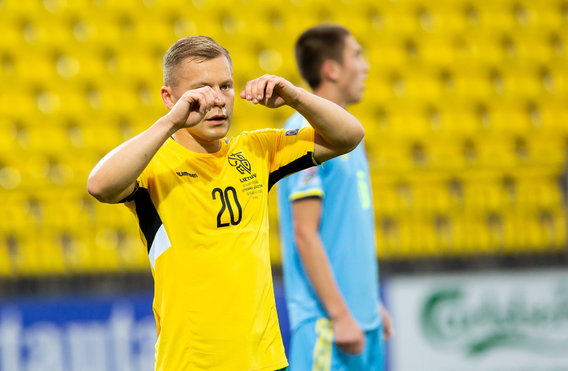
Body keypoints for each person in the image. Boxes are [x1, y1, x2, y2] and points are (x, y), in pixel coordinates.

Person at [86, 35, 364, 371]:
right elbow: (99, 185)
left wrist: (295, 96)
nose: (217, 100)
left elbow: (349, 135)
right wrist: (172, 121)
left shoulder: (258, 151)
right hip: (191, 363)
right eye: (202, 90)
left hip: (267, 361)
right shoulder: (154, 167)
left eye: (226, 86)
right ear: (169, 96)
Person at [277, 24, 393, 370]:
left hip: (362, 322)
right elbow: (304, 233)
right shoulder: (303, 133)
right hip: (328, 327)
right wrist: (341, 315)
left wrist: (370, 304)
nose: (365, 66)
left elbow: (346, 233)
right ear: (332, 69)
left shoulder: (348, 133)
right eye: (357, 55)